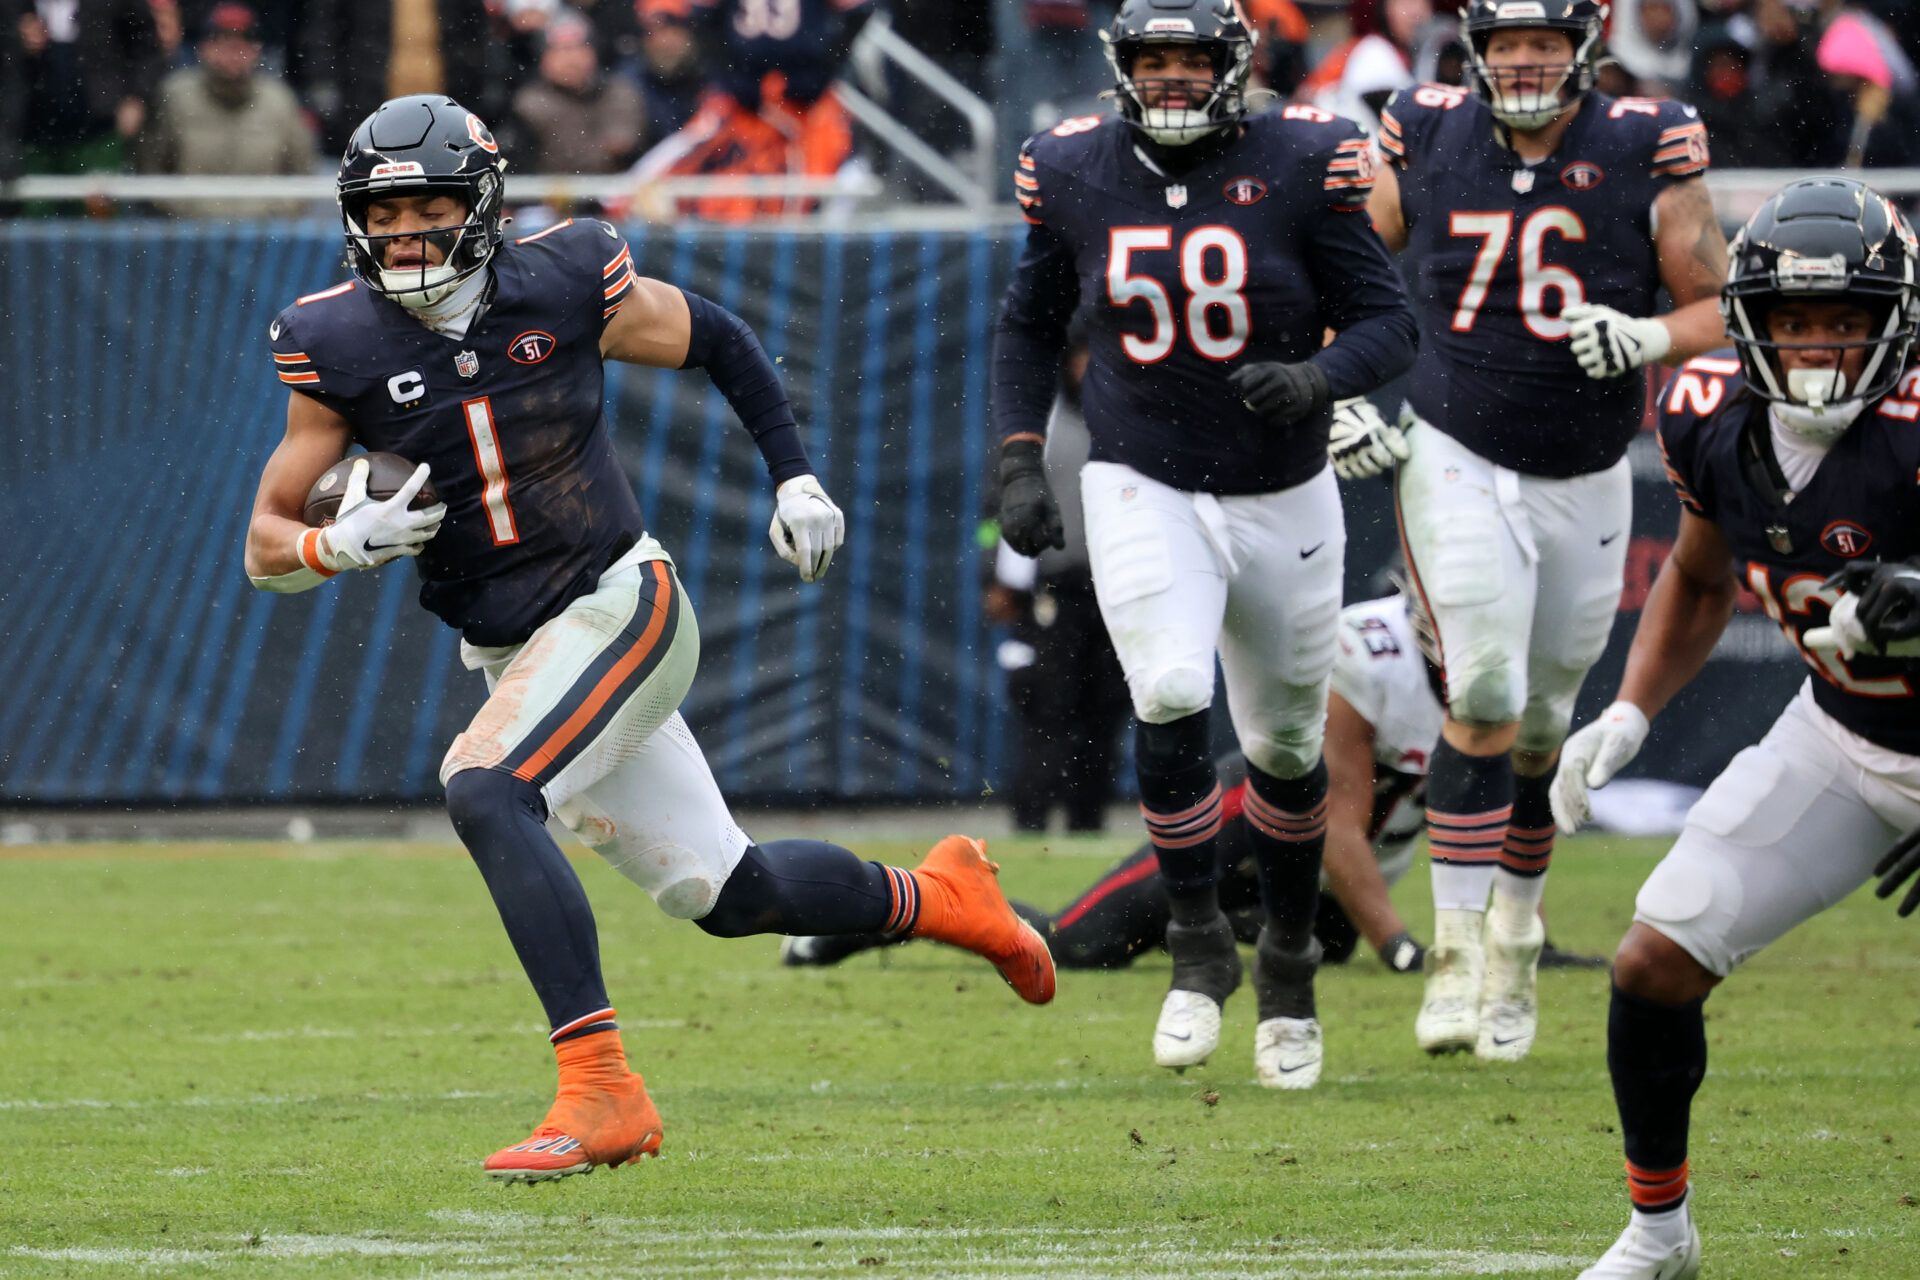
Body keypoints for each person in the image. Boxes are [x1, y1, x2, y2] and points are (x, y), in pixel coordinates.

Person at [241, 94, 1054, 1182]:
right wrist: (341, 545)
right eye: (383, 212)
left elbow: (717, 335)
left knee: (485, 786)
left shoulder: (568, 275)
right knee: (728, 893)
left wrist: (795, 470)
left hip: (621, 601)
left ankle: (602, 1087)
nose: (404, 232)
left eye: (429, 204)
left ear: (481, 203)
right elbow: (263, 542)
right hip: (514, 650)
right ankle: (948, 896)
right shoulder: (332, 337)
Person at [992, 0, 1417, 1090]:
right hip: (1143, 478)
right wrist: (1017, 458)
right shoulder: (1074, 167)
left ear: (1234, 65)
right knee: (1173, 686)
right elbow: (1031, 321)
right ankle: (1194, 946)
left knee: (1282, 748)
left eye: (1192, 58)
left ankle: (1286, 959)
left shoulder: (1307, 155)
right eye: (1153, 59)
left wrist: (1319, 376)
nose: (1173, 77)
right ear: (1121, 68)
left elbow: (1389, 320)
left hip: (1284, 488)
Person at [1550, 176, 1920, 1280]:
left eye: (1845, 321)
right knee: (1657, 957)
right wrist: (1629, 707)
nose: (1817, 345)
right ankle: (1660, 1233)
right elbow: (1702, 581)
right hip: (1845, 739)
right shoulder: (1707, 410)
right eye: (1796, 320)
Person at [1366, 0, 1729, 1062]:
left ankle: (1516, 935)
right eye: (1509, 45)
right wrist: (1333, 382)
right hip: (1455, 448)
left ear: (1583, 50)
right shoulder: (1427, 130)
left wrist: (1653, 330)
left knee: (1539, 724)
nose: (1526, 63)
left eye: (1546, 45)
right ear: (1477, 53)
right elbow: (1340, 258)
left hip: (1587, 469)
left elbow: (1721, 305)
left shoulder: (1638, 138)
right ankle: (1452, 951)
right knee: (1479, 688)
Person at [785, 592, 1608, 975]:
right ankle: (907, 906)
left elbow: (1503, 816)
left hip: (1324, 878)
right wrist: (1404, 949)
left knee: (1328, 940)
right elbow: (1341, 824)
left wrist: (1523, 935)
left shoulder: (1511, 674)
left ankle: (1207, 928)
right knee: (1079, 943)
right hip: (1250, 820)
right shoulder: (1373, 655)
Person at [140, 3, 317, 219]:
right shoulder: (175, 96)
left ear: (257, 51)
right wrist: (188, 212)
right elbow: (150, 171)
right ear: (203, 48)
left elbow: (303, 175)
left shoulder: (279, 100)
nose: (234, 53)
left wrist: (271, 213)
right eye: (223, 43)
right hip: (189, 232)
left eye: (243, 45)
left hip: (265, 234)